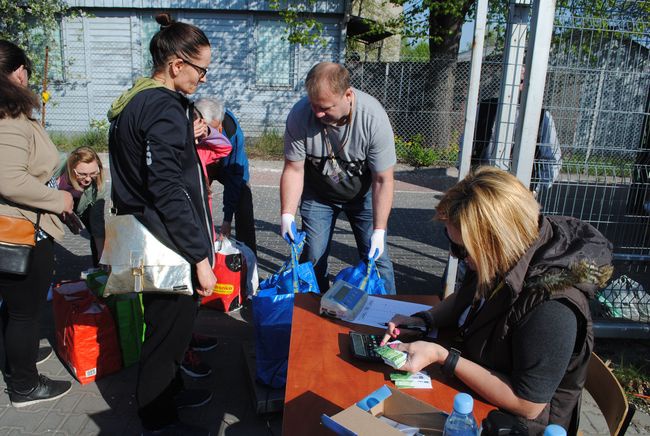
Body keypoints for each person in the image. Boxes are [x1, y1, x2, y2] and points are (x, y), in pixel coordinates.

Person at [381, 167, 613, 434]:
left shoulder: (552, 308)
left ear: (497, 241)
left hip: (517, 425)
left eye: (462, 248)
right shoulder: (508, 258)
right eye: (452, 243)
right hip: (477, 395)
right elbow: (468, 296)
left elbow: (528, 404)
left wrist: (443, 356)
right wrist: (423, 319)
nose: (457, 255)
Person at [106, 13, 216, 435]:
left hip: (147, 232)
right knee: (167, 338)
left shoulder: (138, 100)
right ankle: (156, 417)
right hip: (166, 240)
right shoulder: (164, 108)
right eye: (200, 69)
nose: (203, 79)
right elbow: (169, 190)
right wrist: (200, 257)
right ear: (176, 65)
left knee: (162, 329)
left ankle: (166, 397)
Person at [0, 40, 74, 407]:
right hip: (20, 231)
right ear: (16, 72)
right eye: (24, 69)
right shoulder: (8, 119)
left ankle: (18, 361)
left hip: (20, 226)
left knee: (16, 310)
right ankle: (25, 386)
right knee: (24, 312)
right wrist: (57, 199)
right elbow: (9, 180)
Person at [280, 62, 396, 293]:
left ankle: (390, 316)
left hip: (362, 196)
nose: (318, 113)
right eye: (314, 105)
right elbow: (294, 169)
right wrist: (287, 214)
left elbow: (383, 179)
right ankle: (314, 308)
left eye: (325, 107)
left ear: (348, 95)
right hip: (319, 195)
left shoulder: (373, 119)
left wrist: (380, 231)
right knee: (313, 255)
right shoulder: (300, 115)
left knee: (378, 259)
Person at [197, 98, 257, 255]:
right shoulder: (193, 128)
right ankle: (204, 251)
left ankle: (248, 261)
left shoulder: (233, 133)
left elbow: (234, 179)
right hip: (205, 161)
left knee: (243, 199)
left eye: (218, 128)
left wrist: (227, 220)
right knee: (199, 201)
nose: (215, 133)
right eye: (209, 130)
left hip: (230, 166)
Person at [56, 146, 106, 266]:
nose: (88, 179)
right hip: (51, 197)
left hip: (81, 201)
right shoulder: (56, 165)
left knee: (97, 233)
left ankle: (99, 268)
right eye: (82, 174)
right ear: (71, 168)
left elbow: (97, 223)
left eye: (93, 173)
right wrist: (63, 215)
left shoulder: (97, 185)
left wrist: (103, 255)